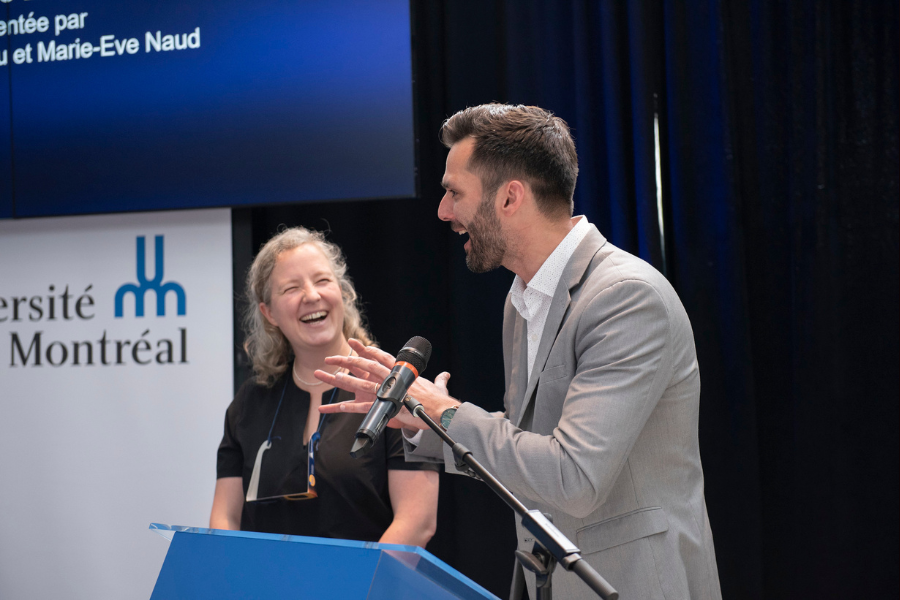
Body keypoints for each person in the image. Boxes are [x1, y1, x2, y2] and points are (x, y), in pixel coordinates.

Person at [318, 104, 722, 598]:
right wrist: (426, 421)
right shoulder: (522, 299)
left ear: (510, 197)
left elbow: (572, 476)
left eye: (453, 192)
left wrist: (446, 413)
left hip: (630, 583)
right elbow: (524, 451)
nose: (444, 212)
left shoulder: (625, 297)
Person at [209, 227, 439, 546]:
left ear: (342, 293)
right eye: (291, 288)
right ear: (269, 312)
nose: (311, 295)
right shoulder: (250, 402)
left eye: (322, 281)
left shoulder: (392, 388)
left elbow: (416, 523)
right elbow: (225, 519)